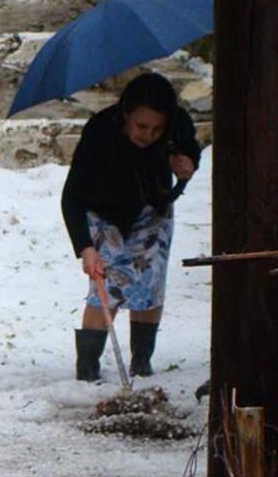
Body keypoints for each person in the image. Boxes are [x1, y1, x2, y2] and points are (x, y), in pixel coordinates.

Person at [62, 72, 201, 381]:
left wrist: (187, 166)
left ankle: (141, 361)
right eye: (141, 126)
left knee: (149, 281)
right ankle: (87, 367)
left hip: (152, 210)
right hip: (103, 212)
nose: (148, 135)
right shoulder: (100, 130)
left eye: (157, 129)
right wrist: (85, 247)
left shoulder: (178, 124)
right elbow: (72, 196)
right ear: (125, 114)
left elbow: (192, 150)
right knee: (107, 279)